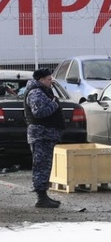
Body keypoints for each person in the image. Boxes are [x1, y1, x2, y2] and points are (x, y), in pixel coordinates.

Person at [24, 67, 65, 209]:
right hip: (41, 136)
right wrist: (54, 104)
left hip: (46, 135)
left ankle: (44, 196)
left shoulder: (43, 91)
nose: (51, 81)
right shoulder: (36, 92)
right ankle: (41, 198)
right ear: (41, 80)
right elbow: (39, 112)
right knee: (40, 166)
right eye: (48, 79)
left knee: (45, 166)